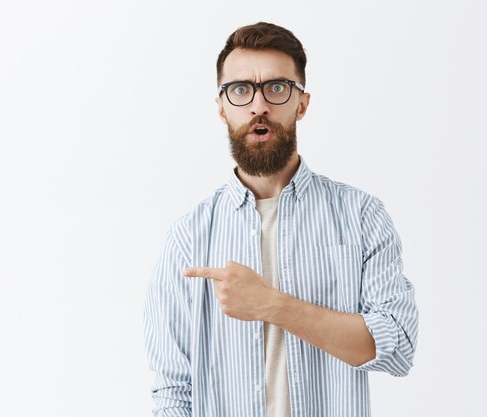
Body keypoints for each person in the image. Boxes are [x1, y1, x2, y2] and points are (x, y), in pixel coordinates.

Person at [143, 22, 418, 417]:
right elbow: (173, 391)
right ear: (221, 108)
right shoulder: (189, 237)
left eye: (276, 88)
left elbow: (398, 348)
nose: (259, 105)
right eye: (240, 90)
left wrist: (272, 305)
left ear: (301, 103)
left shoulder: (361, 217)